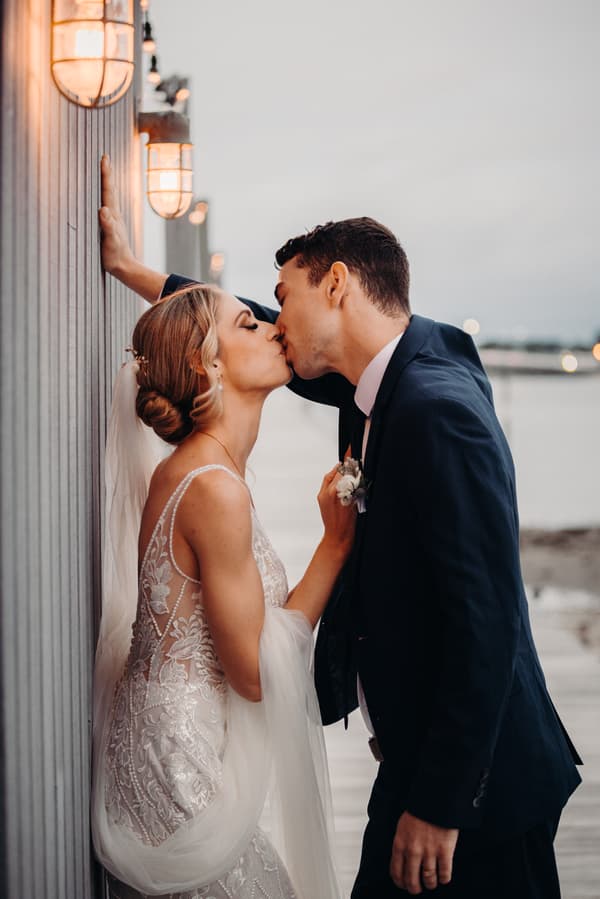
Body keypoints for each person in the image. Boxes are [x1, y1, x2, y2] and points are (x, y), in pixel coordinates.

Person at [99, 157, 582, 897]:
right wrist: (132, 269)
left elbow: (487, 620)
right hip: (418, 766)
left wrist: (442, 801)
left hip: (477, 789)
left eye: (283, 300)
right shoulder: (401, 368)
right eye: (261, 316)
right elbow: (208, 339)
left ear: (336, 285)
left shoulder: (435, 408)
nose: (275, 322)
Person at [91, 281, 356, 899]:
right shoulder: (214, 488)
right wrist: (335, 546)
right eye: (247, 325)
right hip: (178, 766)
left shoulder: (198, 469)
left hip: (170, 738)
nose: (272, 328)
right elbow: (254, 675)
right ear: (207, 363)